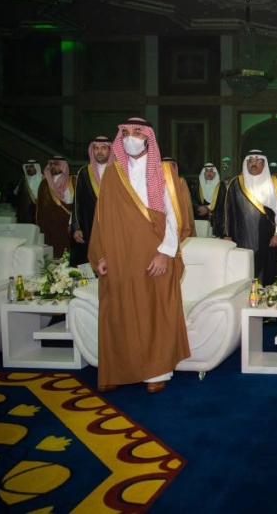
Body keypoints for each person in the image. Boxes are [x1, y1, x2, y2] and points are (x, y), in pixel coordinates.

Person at [89, 117, 190, 394]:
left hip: (154, 254)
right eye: (124, 133)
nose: (130, 137)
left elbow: (174, 218)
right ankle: (117, 370)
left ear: (148, 138)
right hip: (119, 254)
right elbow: (101, 218)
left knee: (155, 311)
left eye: (136, 132)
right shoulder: (113, 174)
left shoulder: (163, 171)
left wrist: (165, 253)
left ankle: (157, 371)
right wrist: (101, 255)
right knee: (118, 311)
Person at [222, 150, 277, 285]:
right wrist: (227, 235)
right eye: (250, 161)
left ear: (264, 164)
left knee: (268, 274)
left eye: (258, 161)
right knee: (243, 273)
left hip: (268, 237)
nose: (253, 164)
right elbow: (228, 211)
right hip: (241, 237)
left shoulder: (274, 183)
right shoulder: (236, 183)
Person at [70, 136, 111, 267]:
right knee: (89, 260)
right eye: (96, 148)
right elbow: (77, 202)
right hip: (88, 225)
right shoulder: (84, 172)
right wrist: (76, 227)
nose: (99, 152)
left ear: (110, 150)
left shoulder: (119, 171)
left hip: (113, 225)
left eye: (103, 148)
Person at [37, 156, 75, 259]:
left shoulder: (73, 181)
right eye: (51, 164)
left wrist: (72, 223)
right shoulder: (44, 184)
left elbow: (77, 205)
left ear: (63, 166)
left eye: (56, 164)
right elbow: (40, 208)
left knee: (67, 253)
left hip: (66, 225)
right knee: (50, 253)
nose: (52, 166)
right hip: (49, 226)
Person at [161, 157, 196, 243]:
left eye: (171, 166)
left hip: (178, 222)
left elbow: (186, 207)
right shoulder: (155, 183)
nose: (168, 169)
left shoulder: (180, 182)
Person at [193, 162, 221, 229]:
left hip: (216, 220)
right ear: (203, 173)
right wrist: (198, 208)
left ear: (215, 173)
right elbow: (192, 200)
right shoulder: (197, 186)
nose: (209, 173)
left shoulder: (221, 186)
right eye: (207, 171)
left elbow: (223, 202)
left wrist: (208, 209)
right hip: (200, 219)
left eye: (211, 171)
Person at [16, 159, 42, 224]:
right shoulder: (23, 180)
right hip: (26, 211)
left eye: (31, 166)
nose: (28, 169)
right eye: (27, 167)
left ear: (36, 167)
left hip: (41, 210)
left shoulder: (44, 180)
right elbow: (18, 196)